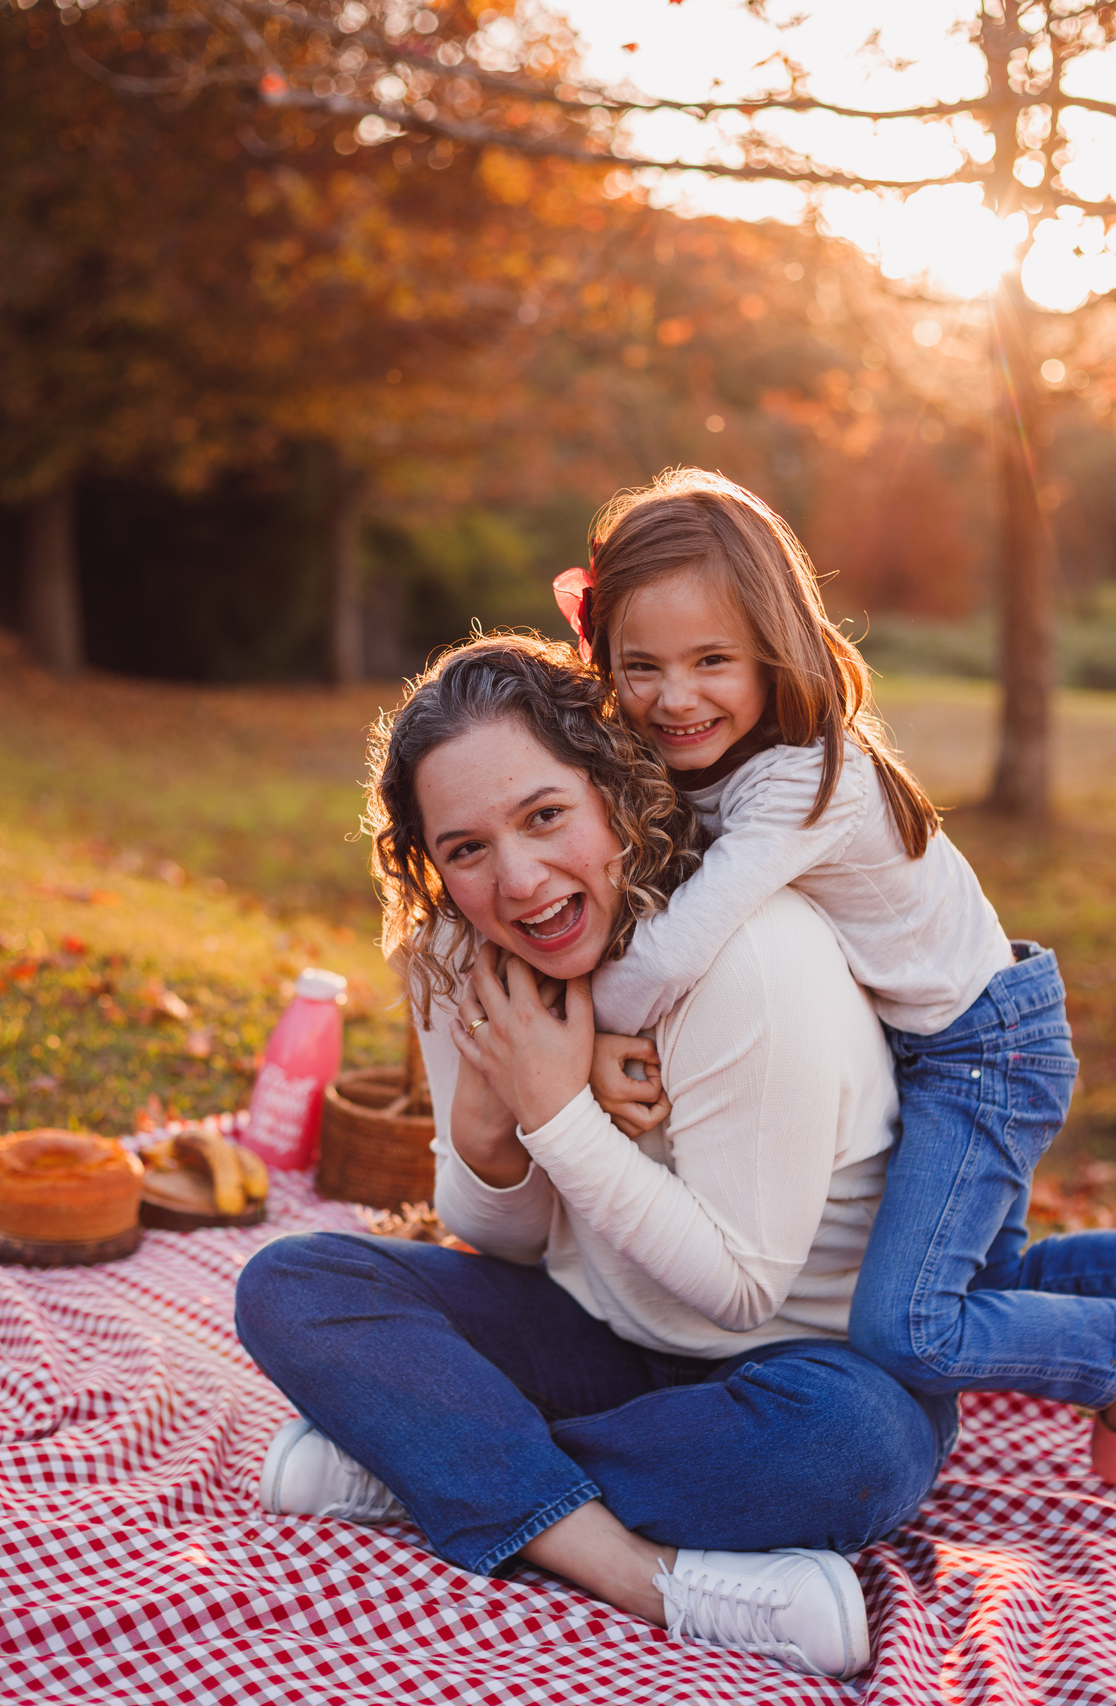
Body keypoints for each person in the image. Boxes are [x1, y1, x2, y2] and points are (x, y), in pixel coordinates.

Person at [236, 635, 966, 1682]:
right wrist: (494, 1117)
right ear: (430, 862)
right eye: (466, 848)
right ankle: (637, 1572)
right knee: (293, 1284)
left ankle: (422, 1463)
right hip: (600, 1339)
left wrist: (557, 1109)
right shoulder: (458, 951)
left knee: (853, 1451)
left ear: (615, 790)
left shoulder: (754, 957)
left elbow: (742, 1294)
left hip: (797, 1364)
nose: (519, 880)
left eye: (545, 816)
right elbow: (503, 1243)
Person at [551, 468, 1116, 1484]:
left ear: (775, 649)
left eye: (712, 660)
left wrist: (567, 1042)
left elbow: (672, 953)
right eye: (641, 666)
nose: (675, 697)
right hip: (930, 1047)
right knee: (983, 1284)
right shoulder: (711, 760)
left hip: (982, 1055)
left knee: (910, 1328)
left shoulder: (804, 780)